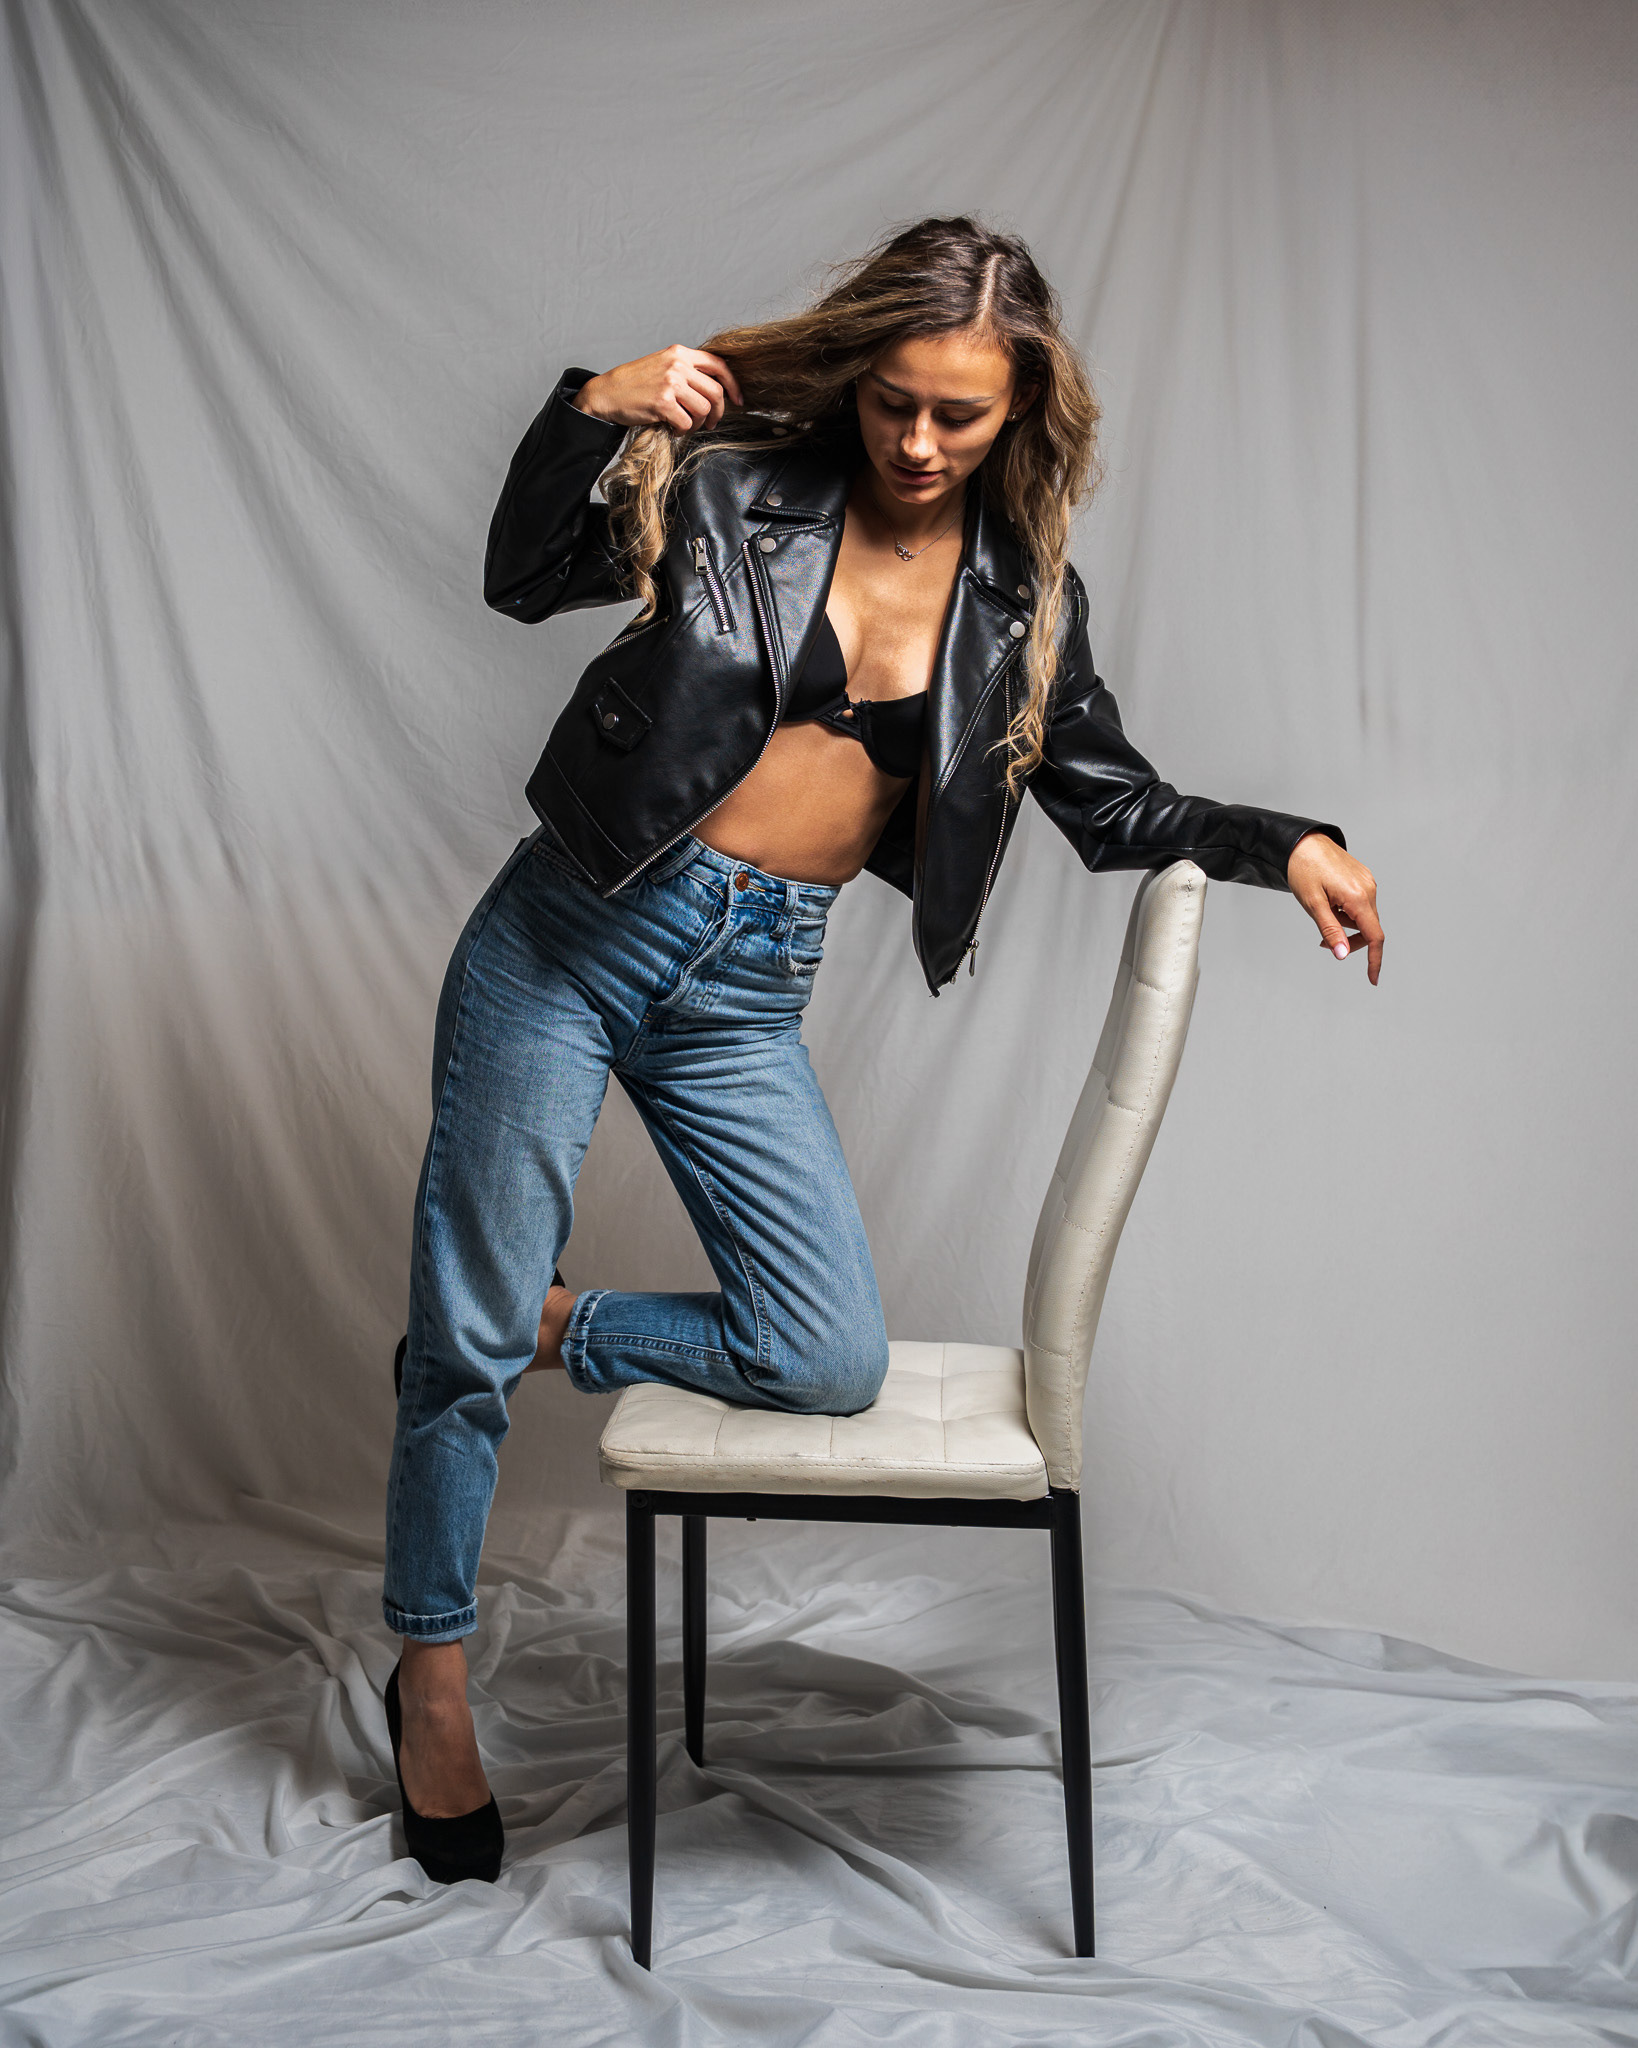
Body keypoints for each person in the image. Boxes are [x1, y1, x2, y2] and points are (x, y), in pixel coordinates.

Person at [380, 217, 1383, 1883]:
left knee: (822, 1355)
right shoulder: (727, 492)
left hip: (743, 990)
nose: (918, 444)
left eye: (960, 417)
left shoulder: (1026, 601)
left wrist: (1290, 843)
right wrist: (593, 407)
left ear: (1020, 415)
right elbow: (519, 575)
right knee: (456, 1350)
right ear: (864, 382)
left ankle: (543, 1319)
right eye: (897, 404)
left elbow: (1110, 804)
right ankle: (425, 1672)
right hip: (568, 934)